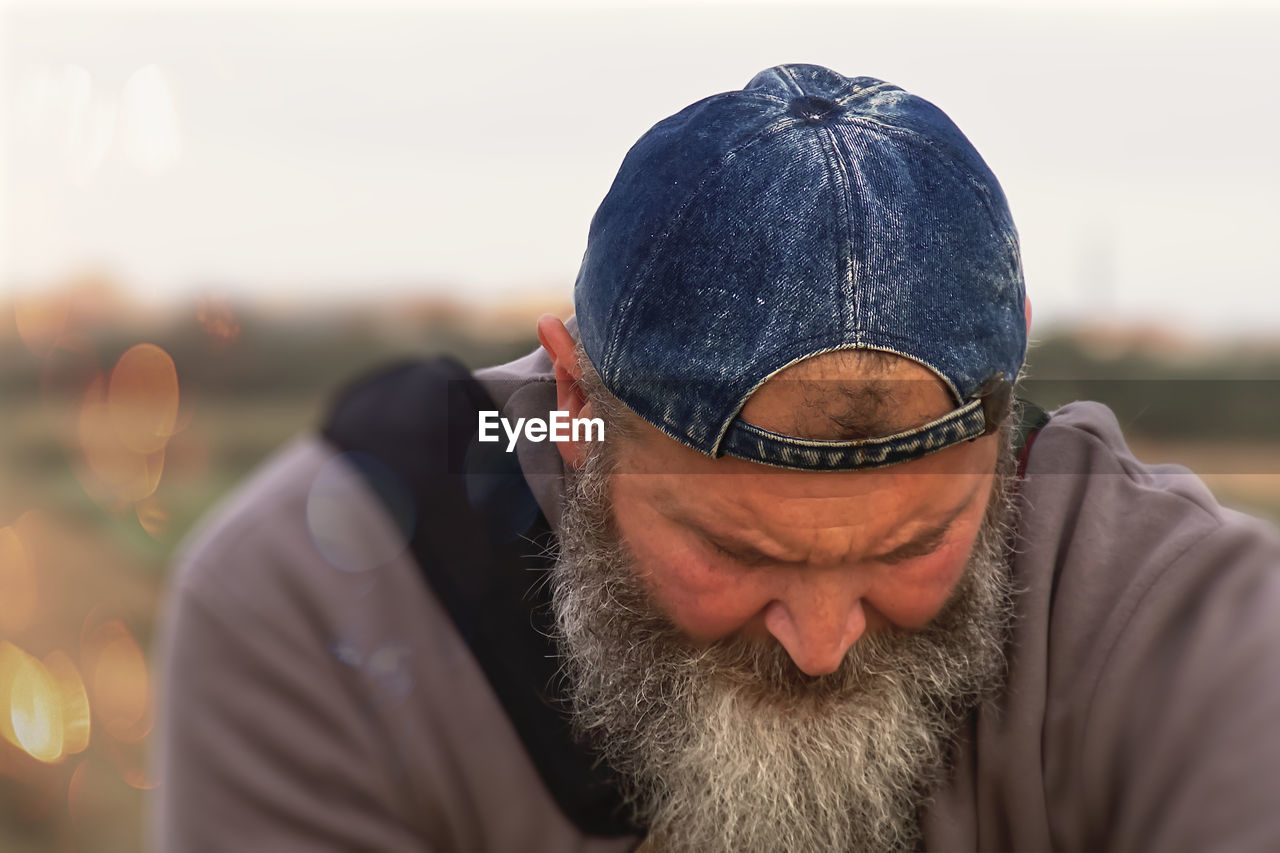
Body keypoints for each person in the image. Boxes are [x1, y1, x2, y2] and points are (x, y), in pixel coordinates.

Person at [148, 64, 1280, 852]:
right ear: (578, 403)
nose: (823, 641)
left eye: (916, 541)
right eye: (736, 546)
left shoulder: (1189, 618)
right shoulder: (324, 596)